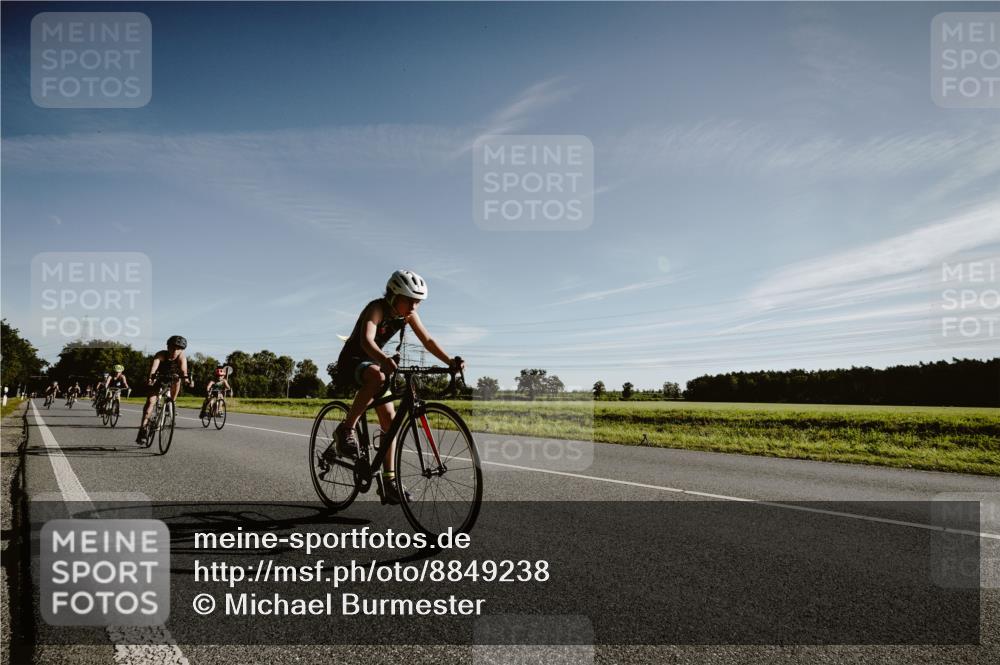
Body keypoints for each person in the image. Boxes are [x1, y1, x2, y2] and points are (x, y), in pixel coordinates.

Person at [330, 269, 464, 505]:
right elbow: (366, 341)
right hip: (352, 362)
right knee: (377, 377)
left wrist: (450, 362)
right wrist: (383, 360)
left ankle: (389, 481)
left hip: (376, 363)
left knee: (390, 421)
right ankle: (346, 429)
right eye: (409, 301)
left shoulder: (408, 316)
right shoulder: (376, 308)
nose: (414, 307)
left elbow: (428, 341)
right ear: (393, 296)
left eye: (418, 302)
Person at [137, 336, 192, 444]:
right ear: (168, 347)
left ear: (182, 350)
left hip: (172, 379)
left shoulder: (181, 357)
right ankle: (143, 429)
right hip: (158, 379)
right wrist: (150, 378)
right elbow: (154, 367)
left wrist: (187, 380)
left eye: (178, 349)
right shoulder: (161, 354)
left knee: (177, 379)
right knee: (150, 403)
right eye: (172, 348)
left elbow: (183, 371)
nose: (175, 351)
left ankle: (172, 402)